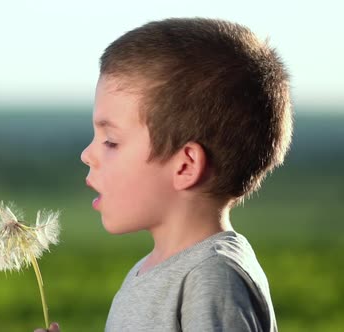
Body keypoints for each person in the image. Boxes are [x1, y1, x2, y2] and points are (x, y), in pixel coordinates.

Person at [34, 17, 292, 332]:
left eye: (111, 142)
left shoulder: (212, 277)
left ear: (185, 166)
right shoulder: (150, 271)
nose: (87, 154)